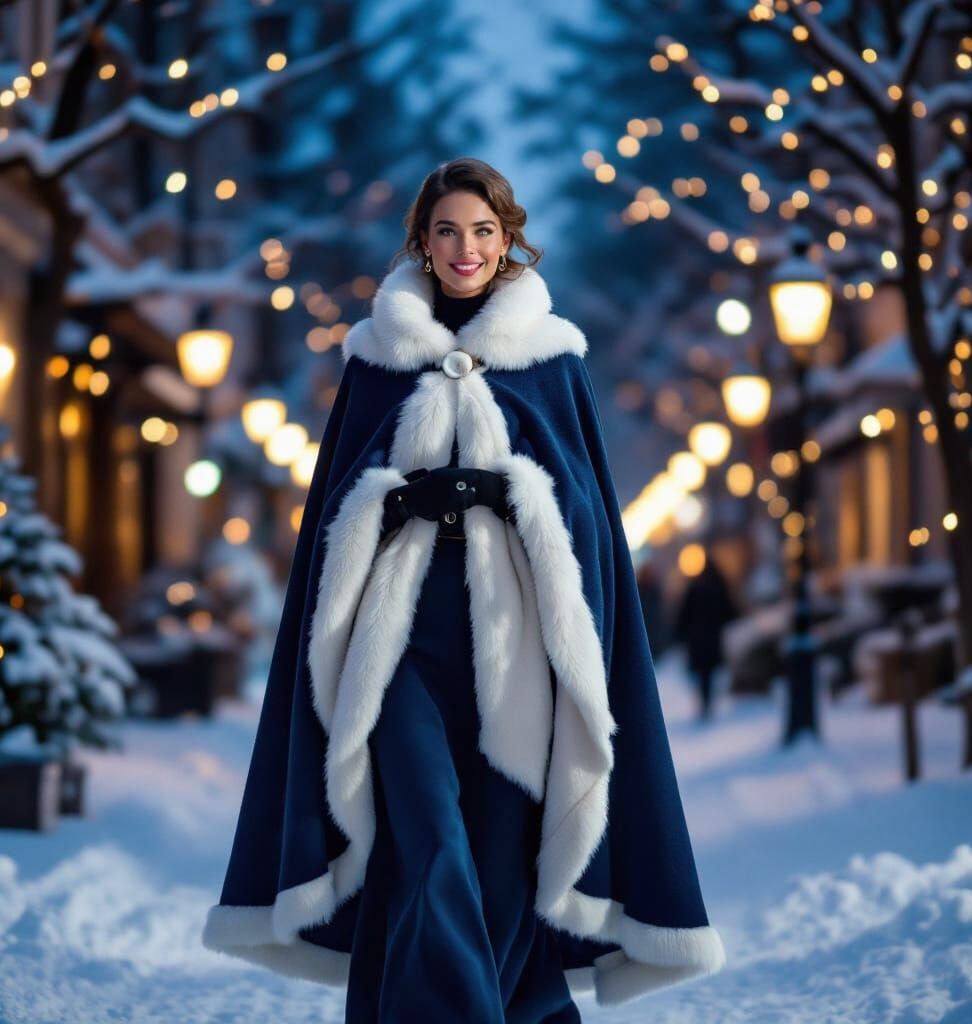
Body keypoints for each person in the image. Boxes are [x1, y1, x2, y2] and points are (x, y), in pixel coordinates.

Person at [202, 157, 726, 1019]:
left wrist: (513, 496)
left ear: (509, 240)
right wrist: (395, 497)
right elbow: (337, 502)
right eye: (447, 230)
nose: (466, 248)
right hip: (399, 643)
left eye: (483, 231)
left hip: (515, 647)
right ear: (422, 241)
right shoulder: (375, 360)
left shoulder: (551, 361)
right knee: (427, 846)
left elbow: (586, 512)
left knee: (499, 859)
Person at [672, 554, 740, 721]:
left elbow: (684, 615)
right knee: (708, 673)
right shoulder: (717, 586)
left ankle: (705, 703)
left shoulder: (695, 588)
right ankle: (707, 703)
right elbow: (729, 611)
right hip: (711, 638)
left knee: (703, 674)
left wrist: (680, 633)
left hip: (697, 640)